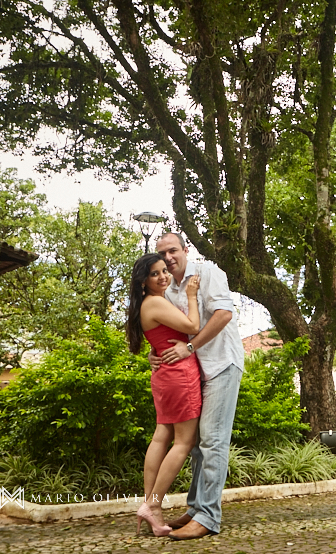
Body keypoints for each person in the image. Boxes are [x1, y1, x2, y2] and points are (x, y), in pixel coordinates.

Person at [153, 232, 245, 541]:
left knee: (213, 441)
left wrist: (190, 348)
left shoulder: (207, 273)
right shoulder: (167, 291)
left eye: (172, 251)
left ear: (185, 250)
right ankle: (195, 509)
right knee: (194, 445)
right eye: (162, 253)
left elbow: (223, 314)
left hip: (221, 364)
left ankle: (208, 516)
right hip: (195, 374)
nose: (168, 258)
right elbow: (169, 331)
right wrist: (155, 354)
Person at [126, 253, 203, 537]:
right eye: (155, 274)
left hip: (164, 375)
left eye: (164, 271)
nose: (163, 277)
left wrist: (152, 353)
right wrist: (192, 296)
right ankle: (152, 505)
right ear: (144, 281)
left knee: (162, 436)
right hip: (179, 374)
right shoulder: (156, 301)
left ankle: (151, 506)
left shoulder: (146, 304)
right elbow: (193, 327)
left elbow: (157, 337)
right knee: (184, 442)